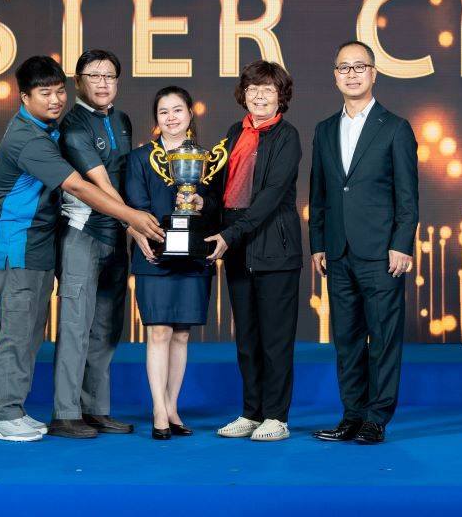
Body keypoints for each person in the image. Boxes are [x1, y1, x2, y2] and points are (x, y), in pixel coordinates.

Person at [0, 54, 163, 442]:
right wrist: (133, 219)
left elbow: (23, 185)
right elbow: (78, 186)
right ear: (24, 97)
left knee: (33, 331)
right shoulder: (33, 137)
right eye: (44, 93)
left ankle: (20, 411)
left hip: (40, 242)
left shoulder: (47, 130)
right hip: (18, 245)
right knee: (20, 332)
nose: (55, 100)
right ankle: (2, 415)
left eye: (57, 91)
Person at [308, 40, 418, 445]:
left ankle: (376, 418)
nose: (351, 74)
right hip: (337, 252)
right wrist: (318, 243)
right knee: (347, 339)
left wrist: (402, 243)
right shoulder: (324, 130)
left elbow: (407, 196)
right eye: (344, 68)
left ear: (374, 73)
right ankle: (352, 415)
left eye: (359, 67)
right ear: (335, 76)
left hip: (382, 253)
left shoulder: (395, 128)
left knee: (383, 337)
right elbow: (319, 193)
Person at [202, 60, 303, 442]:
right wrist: (200, 203)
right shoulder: (234, 133)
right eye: (253, 88)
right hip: (237, 246)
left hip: (274, 247)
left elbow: (270, 197)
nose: (259, 96)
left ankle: (276, 416)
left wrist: (230, 234)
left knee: (275, 338)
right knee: (246, 337)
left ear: (281, 96)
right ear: (243, 94)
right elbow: (220, 188)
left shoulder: (287, 137)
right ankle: (251, 411)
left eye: (268, 89)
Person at [50, 48, 142, 439]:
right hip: (82, 234)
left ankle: (95, 410)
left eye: (109, 76)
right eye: (94, 76)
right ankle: (65, 413)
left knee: (106, 327)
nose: (103, 83)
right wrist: (137, 224)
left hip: (117, 236)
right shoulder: (73, 125)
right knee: (75, 325)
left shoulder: (122, 119)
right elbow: (101, 184)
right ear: (78, 82)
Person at [122, 86, 216, 440]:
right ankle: (158, 410)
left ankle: (173, 406)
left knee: (182, 334)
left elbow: (217, 207)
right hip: (155, 253)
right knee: (158, 331)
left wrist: (201, 204)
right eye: (164, 112)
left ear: (190, 114)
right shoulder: (140, 158)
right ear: (156, 119)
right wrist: (148, 237)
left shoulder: (206, 160)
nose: (171, 118)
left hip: (193, 256)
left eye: (178, 110)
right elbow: (137, 205)